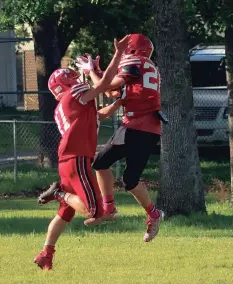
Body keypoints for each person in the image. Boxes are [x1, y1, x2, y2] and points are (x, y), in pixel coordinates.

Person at [34, 35, 129, 270]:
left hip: (69, 159)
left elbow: (98, 116)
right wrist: (117, 54)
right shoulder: (73, 96)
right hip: (76, 158)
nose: (80, 80)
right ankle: (58, 193)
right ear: (68, 84)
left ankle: (46, 253)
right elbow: (104, 83)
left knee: (65, 215)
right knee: (94, 211)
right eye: (75, 78)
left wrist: (118, 105)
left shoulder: (65, 105)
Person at [75, 34, 165, 242]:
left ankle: (130, 211)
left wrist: (91, 73)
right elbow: (113, 91)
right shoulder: (147, 68)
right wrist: (96, 72)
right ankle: (132, 211)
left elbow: (105, 86)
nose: (122, 54)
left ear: (132, 50)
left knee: (114, 171)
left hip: (138, 125)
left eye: (125, 50)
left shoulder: (136, 62)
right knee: (115, 171)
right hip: (144, 127)